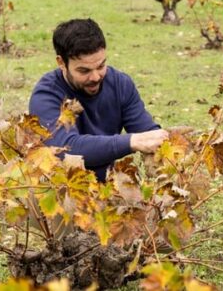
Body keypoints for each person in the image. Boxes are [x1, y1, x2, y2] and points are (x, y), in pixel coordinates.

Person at [28, 18, 169, 181]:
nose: (95, 77)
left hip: (106, 189)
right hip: (61, 191)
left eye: (101, 66)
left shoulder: (120, 84)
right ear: (61, 63)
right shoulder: (46, 95)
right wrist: (130, 141)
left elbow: (148, 134)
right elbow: (64, 151)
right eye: (84, 70)